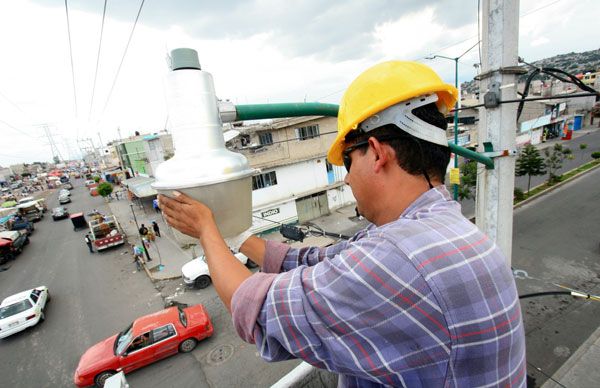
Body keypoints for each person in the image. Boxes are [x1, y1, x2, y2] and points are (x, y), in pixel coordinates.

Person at [159, 61, 526, 387]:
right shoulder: (432, 226)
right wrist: (236, 235)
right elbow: (322, 263)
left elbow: (260, 311)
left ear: (378, 153)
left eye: (348, 162)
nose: (346, 180)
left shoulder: (401, 255)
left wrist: (207, 232)